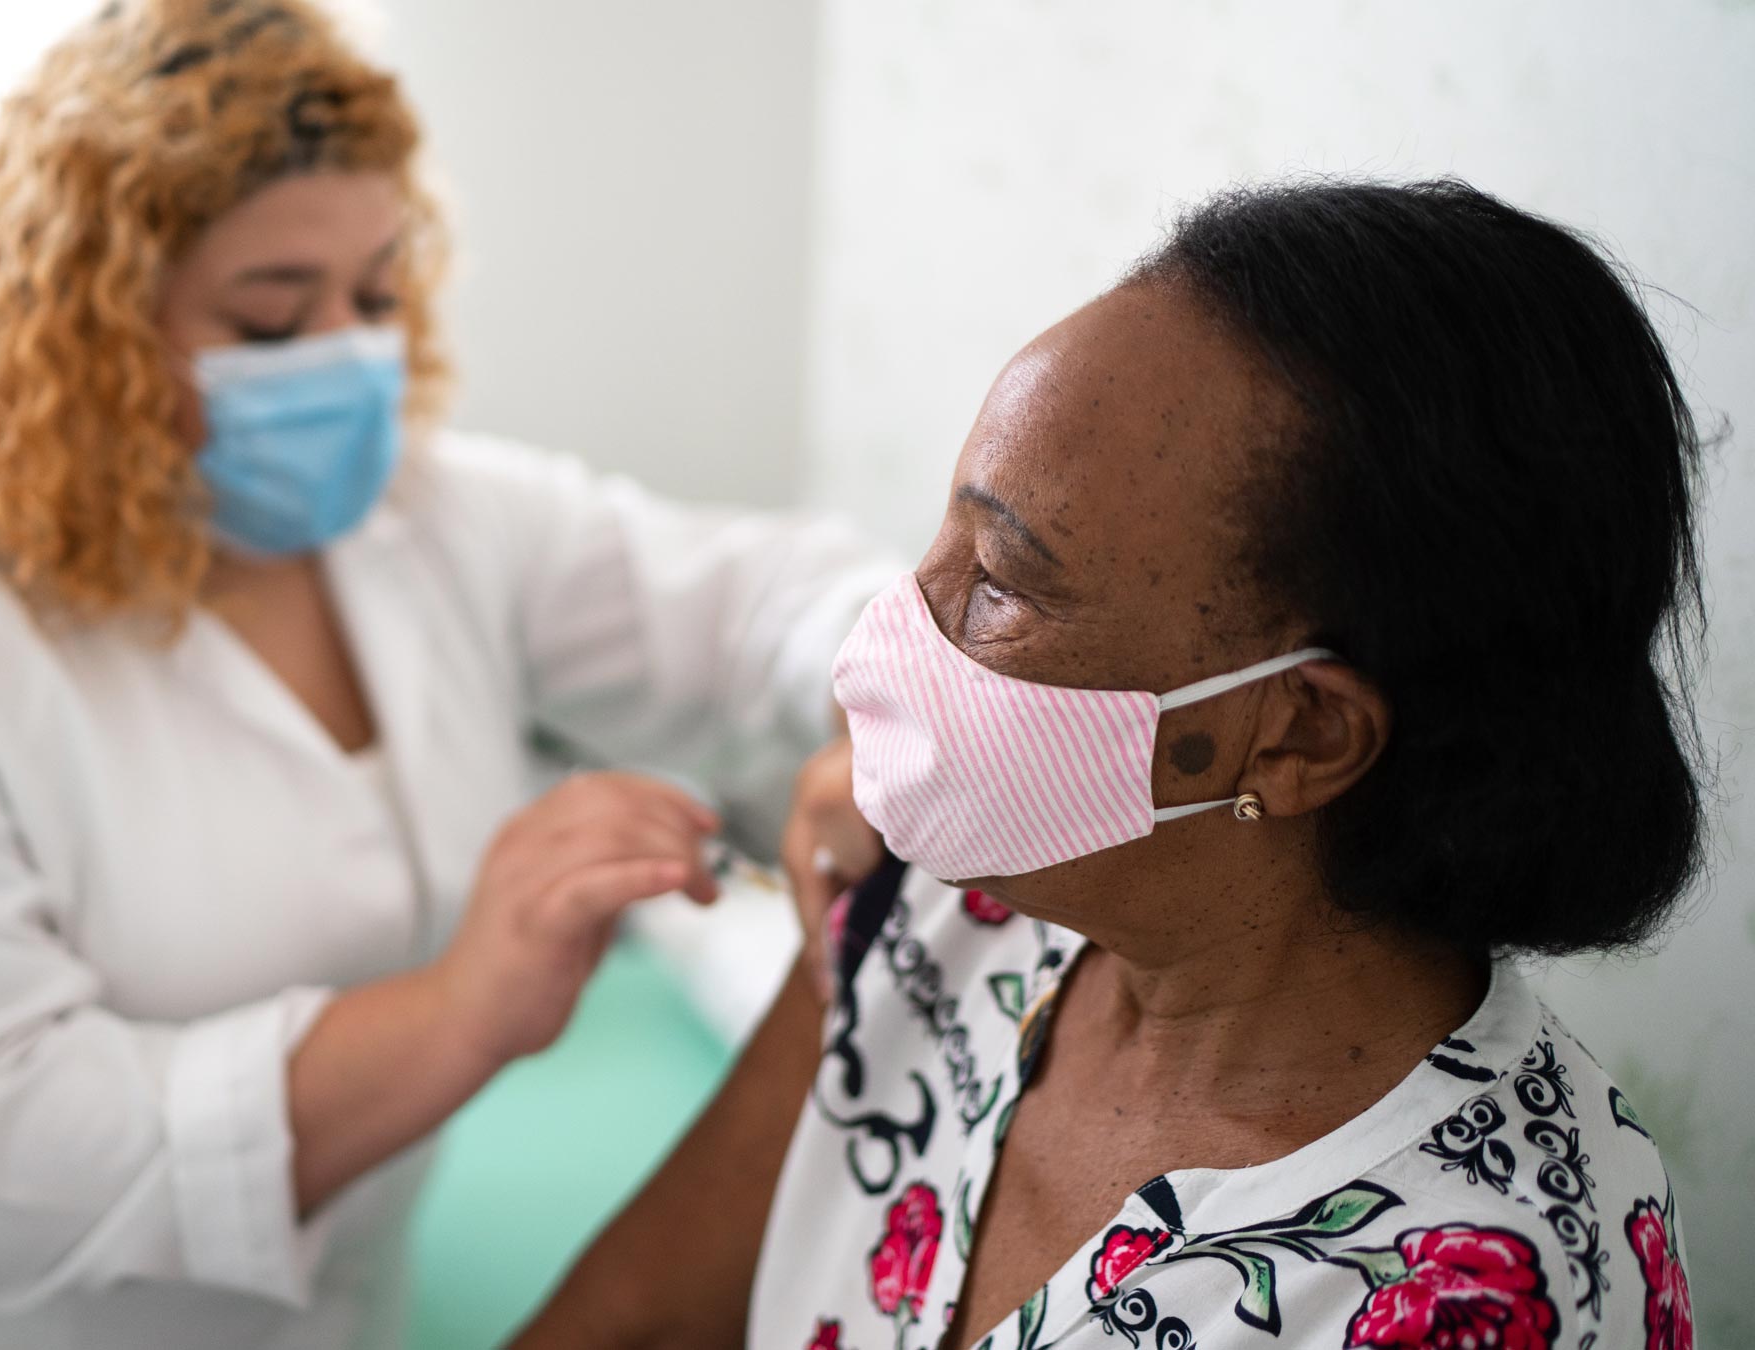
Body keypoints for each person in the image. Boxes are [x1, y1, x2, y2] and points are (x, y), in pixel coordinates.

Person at [0, 2, 889, 1346]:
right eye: (274, 320)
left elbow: (769, 601)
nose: (349, 355)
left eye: (378, 294)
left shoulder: (431, 519)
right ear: (86, 332)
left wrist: (911, 712)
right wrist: (457, 1008)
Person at [517, 178, 1708, 1350]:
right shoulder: (951, 905)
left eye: (999, 585)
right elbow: (633, 1318)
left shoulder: (1493, 1285)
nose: (893, 631)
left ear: (1301, 733)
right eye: (949, 532)